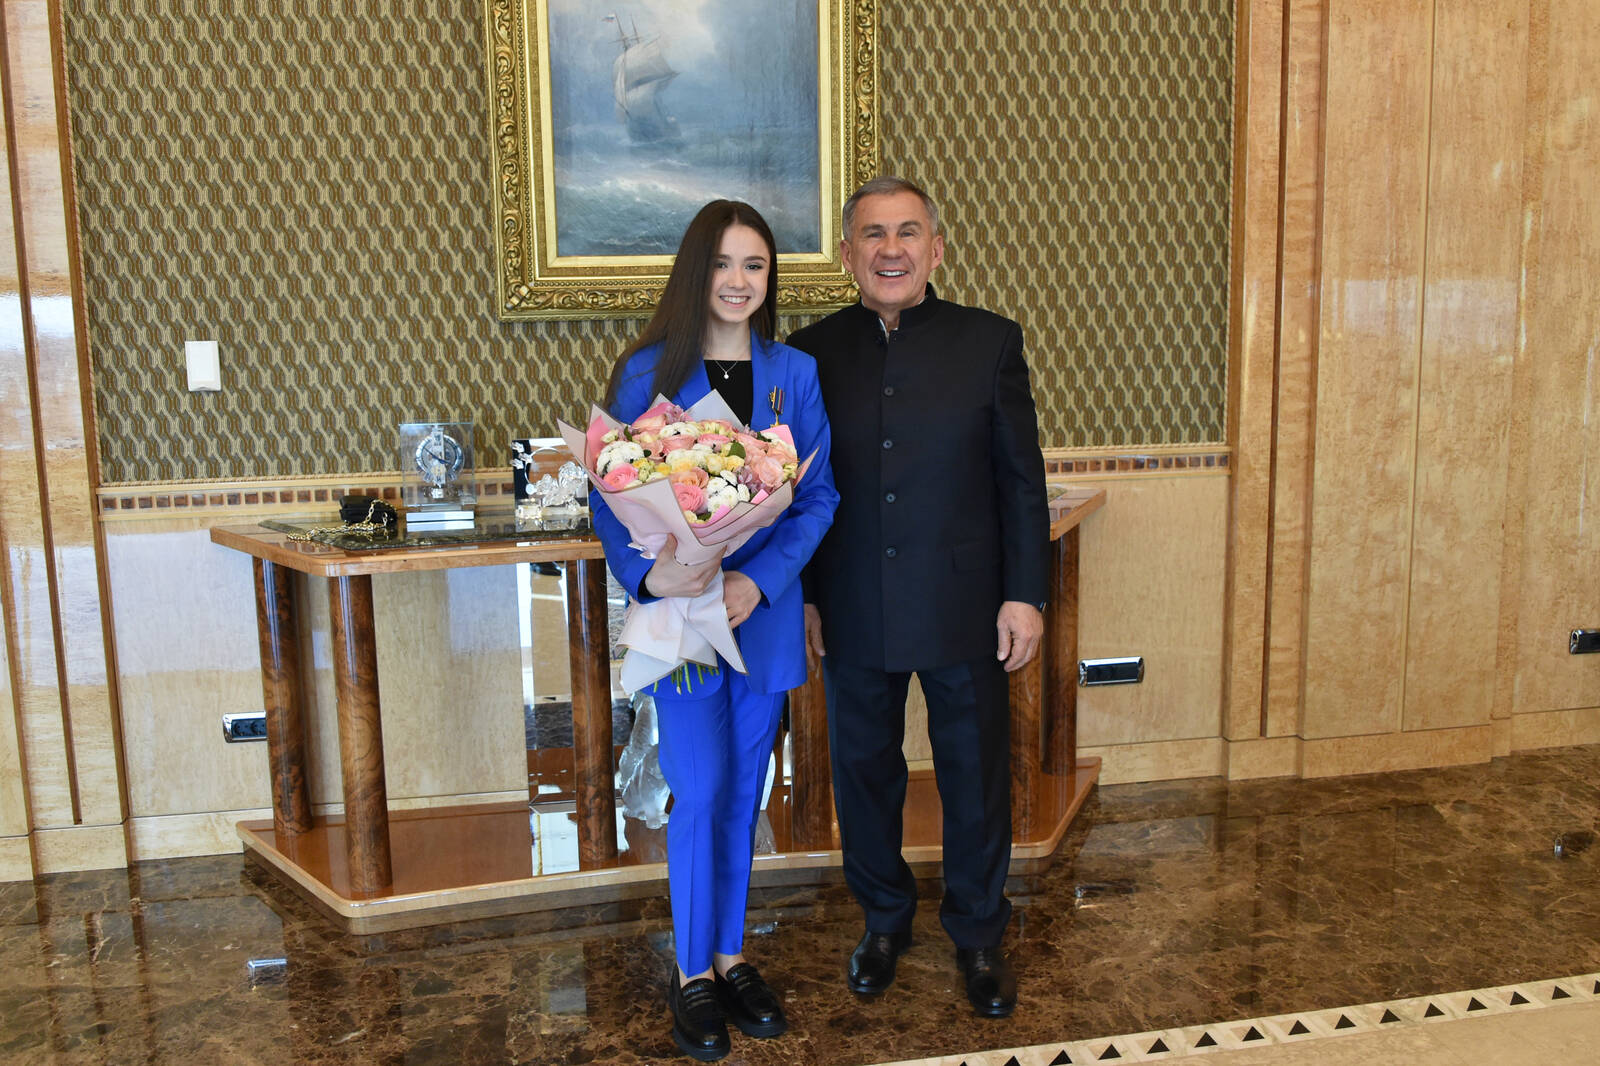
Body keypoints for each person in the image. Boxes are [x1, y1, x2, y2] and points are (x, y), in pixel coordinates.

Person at [787, 177, 1048, 1018]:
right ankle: (883, 921)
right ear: (847, 255)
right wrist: (806, 598)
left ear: (937, 247)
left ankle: (978, 932)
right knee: (865, 773)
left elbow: (1021, 482)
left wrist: (1025, 595)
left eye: (908, 232)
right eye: (873, 234)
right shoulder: (807, 354)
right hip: (852, 602)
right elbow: (795, 491)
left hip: (965, 602)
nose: (891, 249)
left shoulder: (990, 341)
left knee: (974, 775)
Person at [592, 200, 838, 1061]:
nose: (739, 281)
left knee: (743, 796)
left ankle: (732, 957)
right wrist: (653, 576)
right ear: (698, 271)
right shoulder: (646, 373)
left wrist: (757, 582)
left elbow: (818, 496)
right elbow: (610, 492)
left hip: (758, 619)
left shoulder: (794, 375)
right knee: (697, 791)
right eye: (725, 263)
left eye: (755, 265)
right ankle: (691, 971)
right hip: (684, 620)